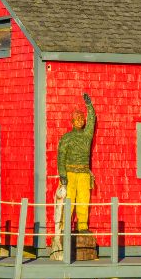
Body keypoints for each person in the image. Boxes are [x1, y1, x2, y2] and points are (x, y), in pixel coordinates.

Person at [56, 93, 96, 231]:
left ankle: (82, 225)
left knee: (84, 200)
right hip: (70, 173)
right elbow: (61, 156)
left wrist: (89, 106)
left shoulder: (87, 135)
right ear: (72, 122)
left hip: (84, 173)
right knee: (69, 200)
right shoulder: (66, 138)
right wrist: (62, 174)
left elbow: (92, 120)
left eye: (81, 118)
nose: (80, 120)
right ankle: (66, 226)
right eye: (76, 118)